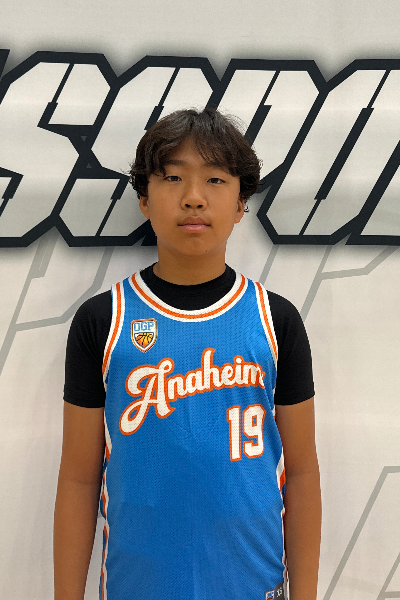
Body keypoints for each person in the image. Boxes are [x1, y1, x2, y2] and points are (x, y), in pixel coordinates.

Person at [54, 108, 321, 600]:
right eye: (172, 177)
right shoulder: (103, 320)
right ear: (143, 198)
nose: (194, 197)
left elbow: (301, 473)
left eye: (215, 179)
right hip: (139, 585)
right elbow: (78, 479)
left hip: (253, 583)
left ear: (241, 203)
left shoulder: (275, 320)